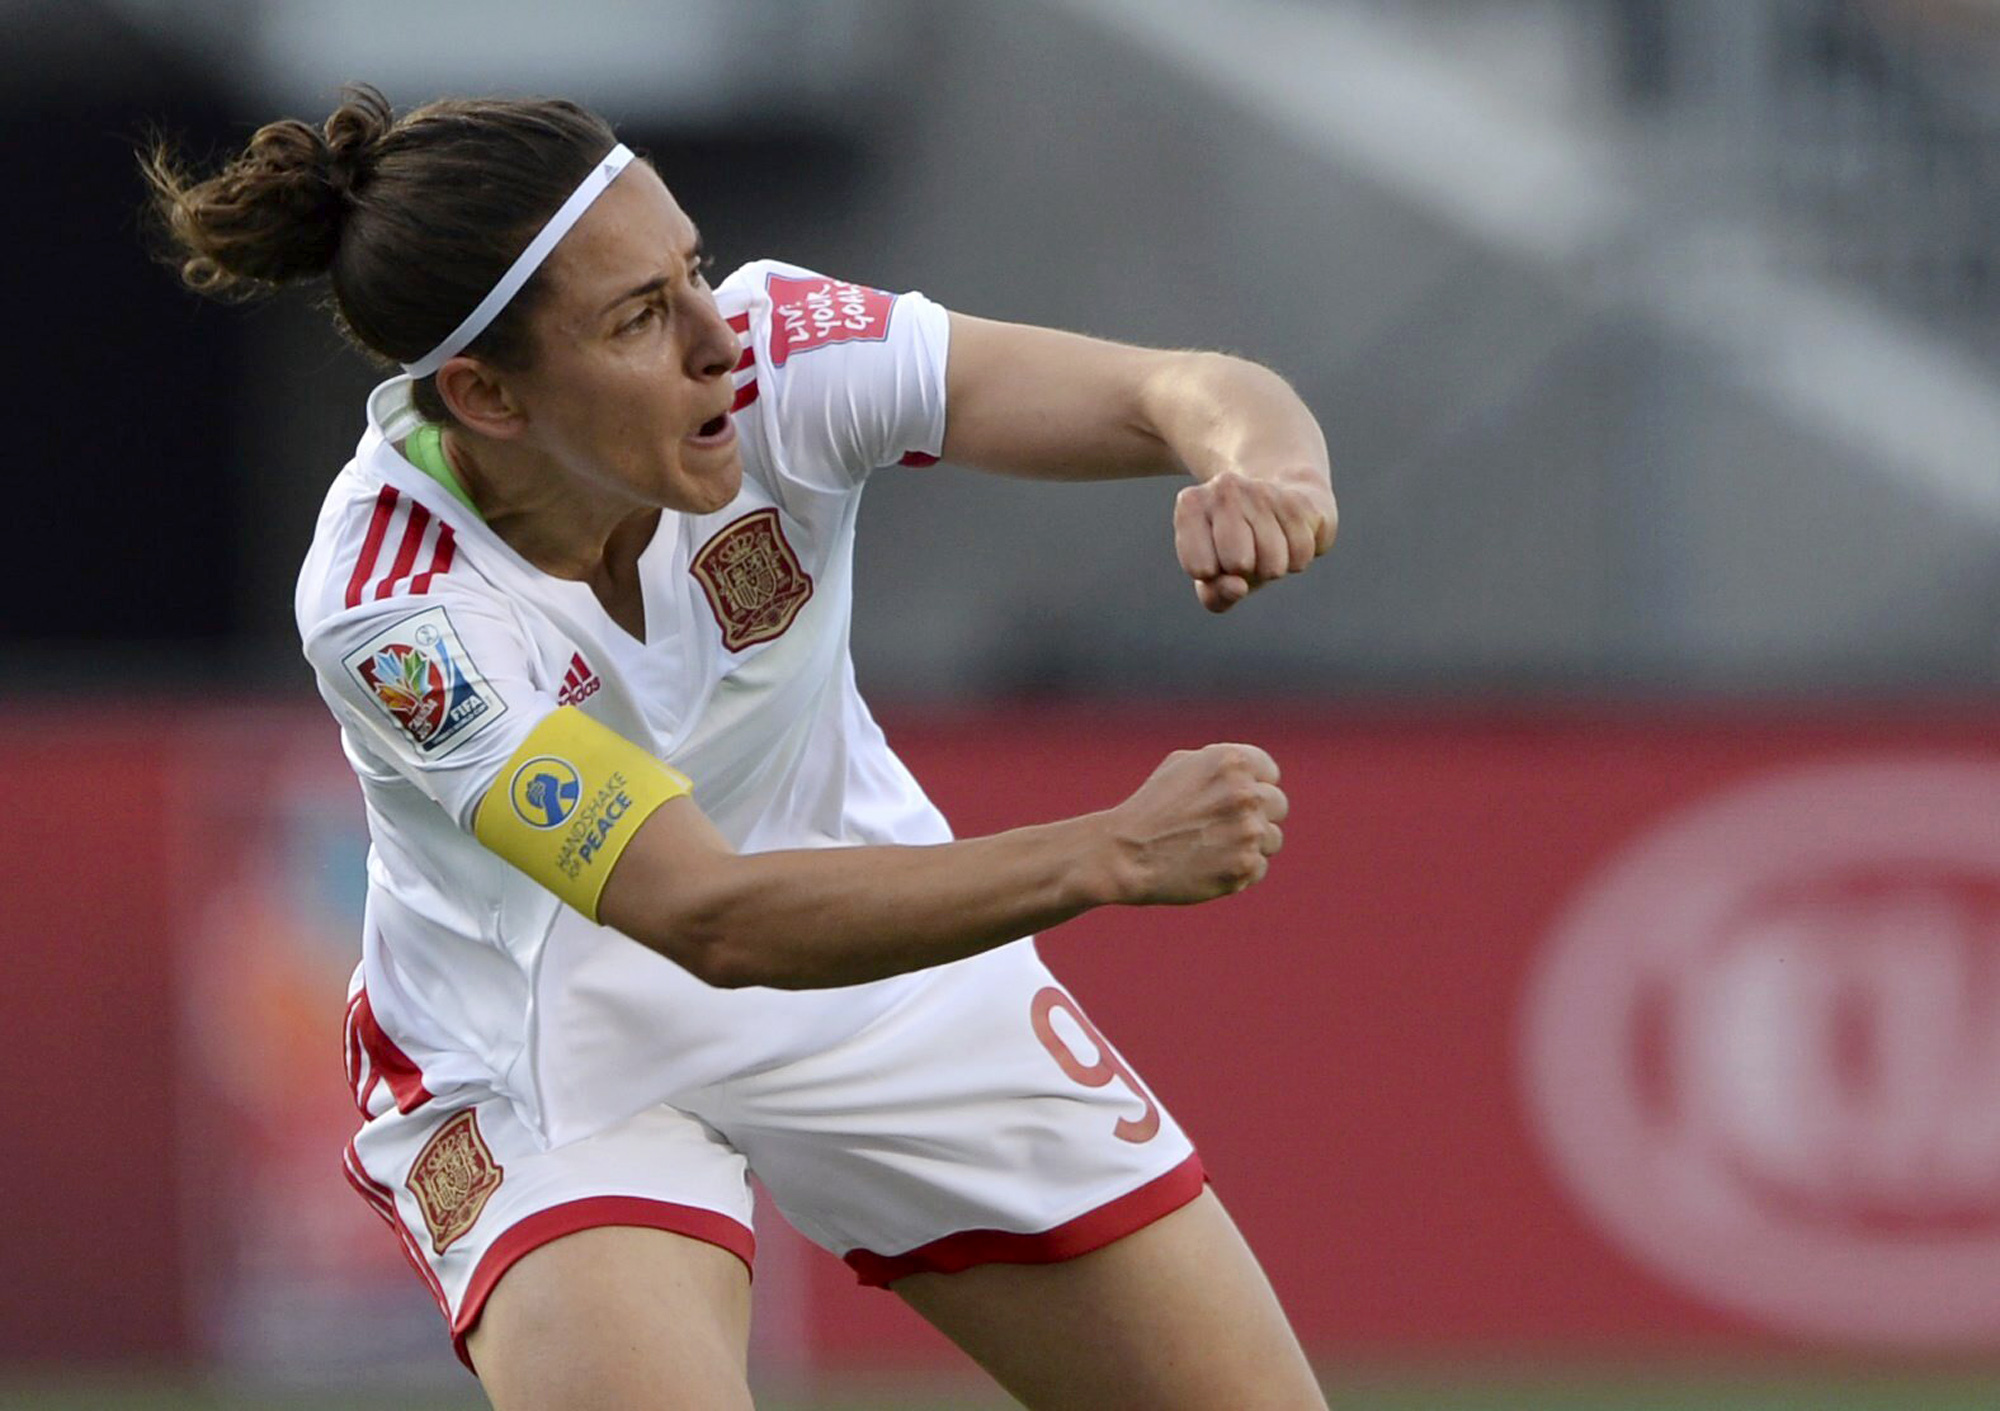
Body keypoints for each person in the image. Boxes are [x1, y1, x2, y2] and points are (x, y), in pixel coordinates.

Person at [145, 85, 1337, 1411]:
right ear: (486, 395)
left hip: (889, 965)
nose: (721, 341)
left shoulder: (781, 349)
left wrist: (1266, 472)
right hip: (556, 1060)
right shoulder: (398, 611)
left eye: (691, 269)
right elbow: (710, 918)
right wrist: (1112, 851)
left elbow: (1179, 391)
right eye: (641, 317)